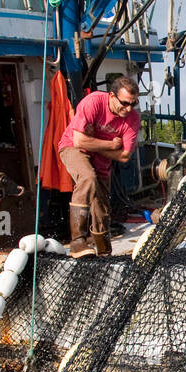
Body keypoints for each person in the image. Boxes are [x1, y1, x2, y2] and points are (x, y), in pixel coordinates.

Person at [58, 76, 141, 256]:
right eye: (125, 103)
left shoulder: (133, 119)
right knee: (88, 178)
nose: (128, 109)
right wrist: (111, 145)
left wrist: (92, 144)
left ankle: (104, 253)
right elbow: (78, 141)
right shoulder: (93, 102)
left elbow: (125, 156)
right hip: (72, 147)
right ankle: (78, 242)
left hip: (100, 160)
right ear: (111, 96)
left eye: (133, 104)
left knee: (102, 208)